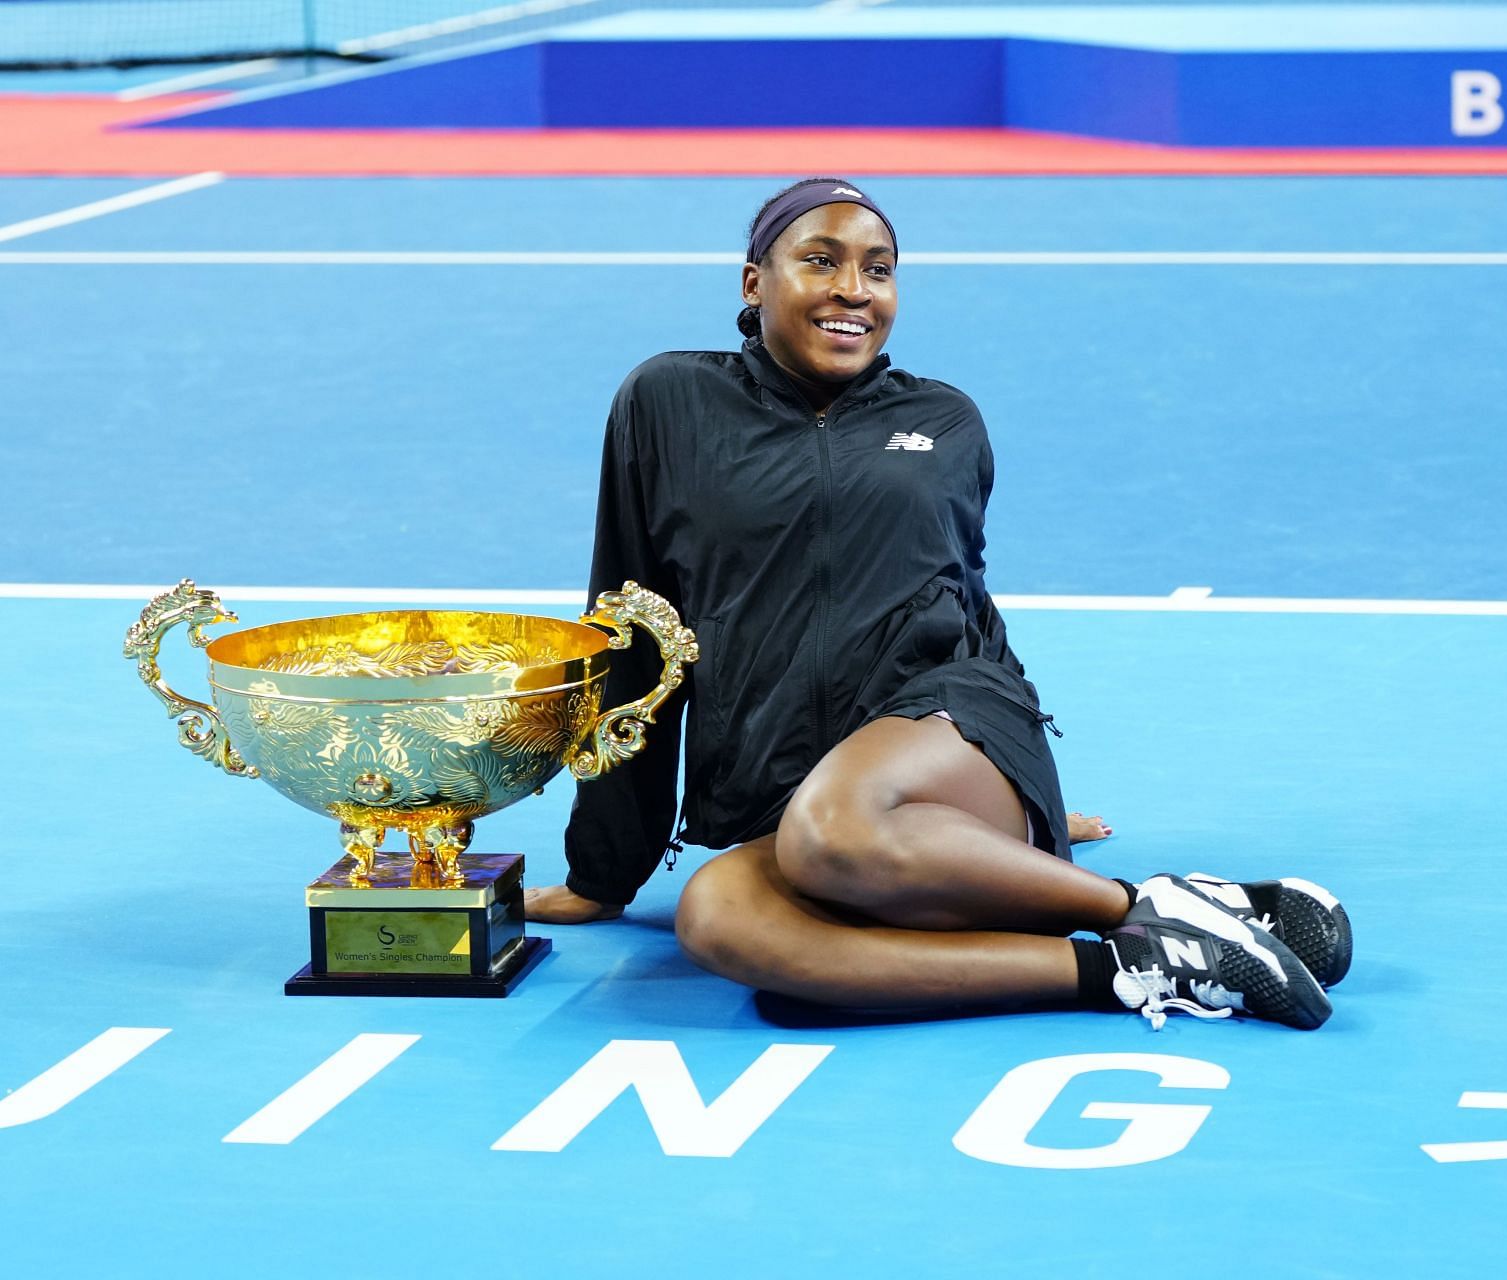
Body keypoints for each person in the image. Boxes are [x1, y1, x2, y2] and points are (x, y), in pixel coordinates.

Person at [524, 179, 1351, 1029]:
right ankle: (1130, 968)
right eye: (821, 261)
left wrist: (1018, 799)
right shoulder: (666, 402)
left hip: (945, 722)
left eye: (879, 271)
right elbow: (631, 631)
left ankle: (1149, 903)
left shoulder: (944, 418)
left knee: (835, 828)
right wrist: (603, 872)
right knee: (716, 918)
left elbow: (963, 601)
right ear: (752, 283)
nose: (855, 289)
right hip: (787, 789)